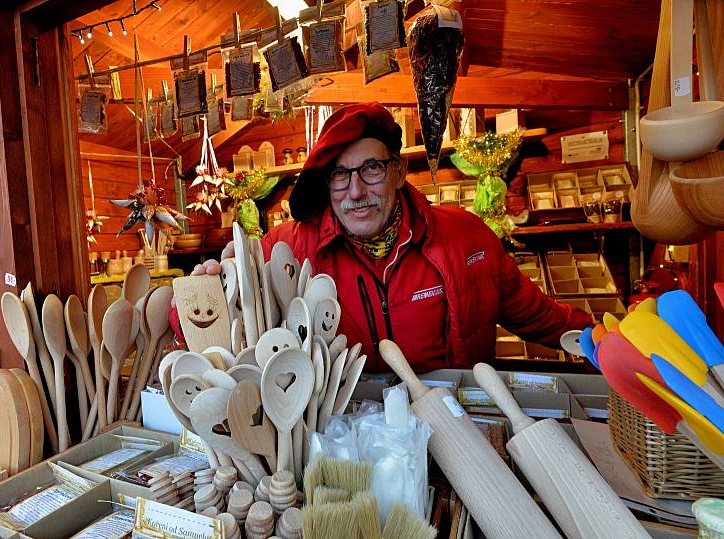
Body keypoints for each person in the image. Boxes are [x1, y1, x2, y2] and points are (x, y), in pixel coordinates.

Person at [189, 102, 592, 373]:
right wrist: (208, 289)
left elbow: (541, 317)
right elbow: (197, 315)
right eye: (340, 175)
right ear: (327, 185)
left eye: (371, 170)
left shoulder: (466, 237)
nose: (356, 191)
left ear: (398, 172)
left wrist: (605, 345)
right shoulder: (290, 248)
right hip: (346, 439)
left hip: (455, 433)